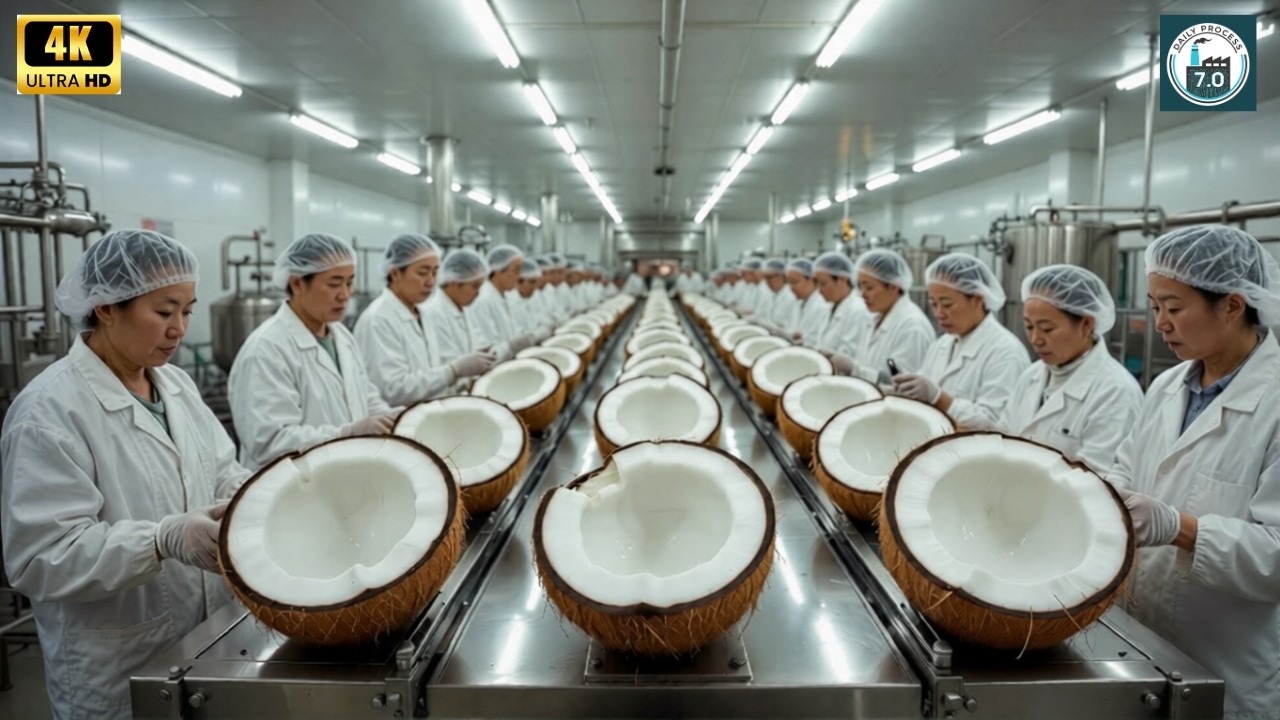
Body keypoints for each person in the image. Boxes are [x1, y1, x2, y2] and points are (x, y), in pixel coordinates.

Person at [1, 230, 248, 720]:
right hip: (117, 667)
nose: (179, 329)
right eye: (164, 311)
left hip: (207, 644)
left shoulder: (176, 385)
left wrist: (261, 495)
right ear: (106, 308)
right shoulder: (49, 412)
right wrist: (160, 541)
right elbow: (42, 557)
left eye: (188, 311)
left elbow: (221, 472)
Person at [1105, 225, 1280, 717]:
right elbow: (1125, 467)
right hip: (1140, 650)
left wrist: (1180, 529)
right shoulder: (1166, 385)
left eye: (1174, 308)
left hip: (1228, 668)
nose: (1159, 323)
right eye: (1154, 306)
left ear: (1232, 305)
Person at [229, 233, 397, 471]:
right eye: (334, 284)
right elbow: (269, 442)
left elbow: (363, 394)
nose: (345, 294)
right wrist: (346, 434)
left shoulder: (341, 336)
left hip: (344, 474)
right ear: (297, 284)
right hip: (294, 485)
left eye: (349, 282)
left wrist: (395, 419)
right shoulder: (266, 349)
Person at [997, 264, 1141, 472]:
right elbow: (1002, 437)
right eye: (1029, 326)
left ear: (1086, 325)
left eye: (1047, 328)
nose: (1035, 339)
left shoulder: (1115, 392)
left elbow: (1096, 478)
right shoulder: (1031, 376)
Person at [353, 234, 494, 407]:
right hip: (399, 419)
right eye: (422, 273)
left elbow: (429, 373)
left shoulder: (422, 314)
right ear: (395, 273)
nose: (431, 281)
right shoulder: (379, 320)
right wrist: (453, 371)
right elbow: (392, 390)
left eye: (434, 272)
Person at [891, 253, 1028, 429]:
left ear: (978, 300)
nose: (939, 313)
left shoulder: (1006, 352)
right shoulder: (941, 345)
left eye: (947, 304)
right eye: (934, 304)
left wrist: (939, 398)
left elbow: (995, 425)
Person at [829, 249, 935, 382]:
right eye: (860, 287)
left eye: (869, 288)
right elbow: (874, 364)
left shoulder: (912, 327)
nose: (862, 294)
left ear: (894, 286)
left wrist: (855, 369)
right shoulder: (874, 319)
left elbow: (900, 380)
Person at [421, 248, 491, 365]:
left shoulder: (464, 309)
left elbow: (479, 344)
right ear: (454, 283)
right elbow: (446, 362)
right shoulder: (434, 313)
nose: (478, 293)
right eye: (475, 287)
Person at [470, 244, 538, 359]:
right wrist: (510, 347)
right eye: (516, 270)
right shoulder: (483, 299)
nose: (519, 276)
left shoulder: (507, 296)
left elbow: (512, 330)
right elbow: (488, 347)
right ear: (499, 270)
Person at [811, 251, 870, 353]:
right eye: (817, 284)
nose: (819, 290)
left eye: (823, 283)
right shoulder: (830, 307)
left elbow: (849, 353)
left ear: (842, 279)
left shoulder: (858, 311)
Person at [783, 258, 832, 345]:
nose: (791, 287)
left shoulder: (822, 306)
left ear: (811, 280)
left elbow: (819, 340)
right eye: (789, 283)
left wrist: (804, 338)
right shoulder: (799, 303)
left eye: (794, 282)